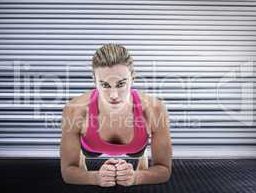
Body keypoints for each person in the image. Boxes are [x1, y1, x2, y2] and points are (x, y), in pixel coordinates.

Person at [60, 43, 172, 187]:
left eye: (121, 84)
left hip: (136, 147)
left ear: (133, 78)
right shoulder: (75, 110)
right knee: (83, 157)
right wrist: (95, 178)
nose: (113, 95)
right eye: (105, 85)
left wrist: (136, 177)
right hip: (90, 147)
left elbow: (164, 170)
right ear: (95, 81)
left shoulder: (154, 109)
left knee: (138, 154)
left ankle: (141, 155)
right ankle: (82, 151)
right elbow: (68, 172)